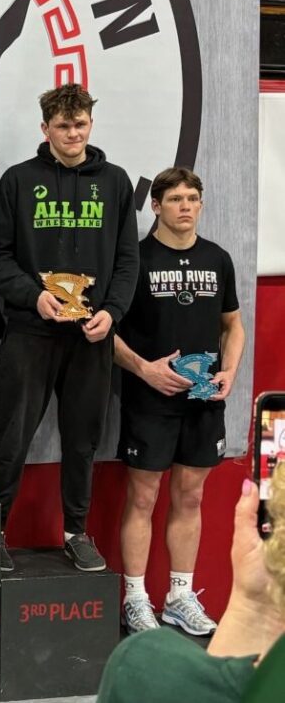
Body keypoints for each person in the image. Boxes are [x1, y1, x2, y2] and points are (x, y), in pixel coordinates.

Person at [0, 83, 138, 572]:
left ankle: (75, 531)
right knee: (12, 436)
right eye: (63, 125)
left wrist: (112, 313)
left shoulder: (115, 183)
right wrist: (34, 297)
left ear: (90, 124)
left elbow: (128, 261)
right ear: (44, 128)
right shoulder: (18, 181)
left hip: (92, 335)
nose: (73, 133)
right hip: (32, 330)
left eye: (80, 123)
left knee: (82, 440)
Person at [114, 167, 245, 634]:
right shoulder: (137, 259)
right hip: (151, 400)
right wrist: (145, 369)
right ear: (156, 205)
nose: (185, 206)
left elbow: (233, 324)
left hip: (205, 399)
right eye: (175, 199)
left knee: (190, 497)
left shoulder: (218, 258)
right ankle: (134, 598)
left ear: (201, 204)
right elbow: (105, 331)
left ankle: (179, 596)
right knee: (143, 497)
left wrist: (229, 371)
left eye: (192, 198)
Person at [98, 468, 285, 703]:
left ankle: (178, 594)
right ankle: (139, 597)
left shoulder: (140, 666)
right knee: (144, 495)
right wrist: (253, 602)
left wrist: (250, 603)